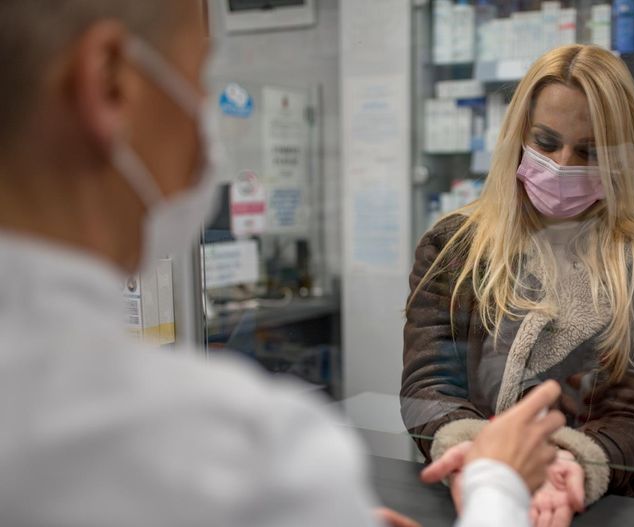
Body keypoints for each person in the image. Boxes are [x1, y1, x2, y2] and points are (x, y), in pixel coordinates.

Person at [0, 1, 568, 526]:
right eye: (198, 78)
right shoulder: (236, 453)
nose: (207, 129)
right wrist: (498, 488)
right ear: (109, 84)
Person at [401, 44, 634, 527]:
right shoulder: (454, 246)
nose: (562, 163)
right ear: (518, 135)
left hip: (598, 505)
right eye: (546, 141)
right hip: (473, 495)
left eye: (589, 151)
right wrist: (483, 462)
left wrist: (573, 465)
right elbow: (429, 383)